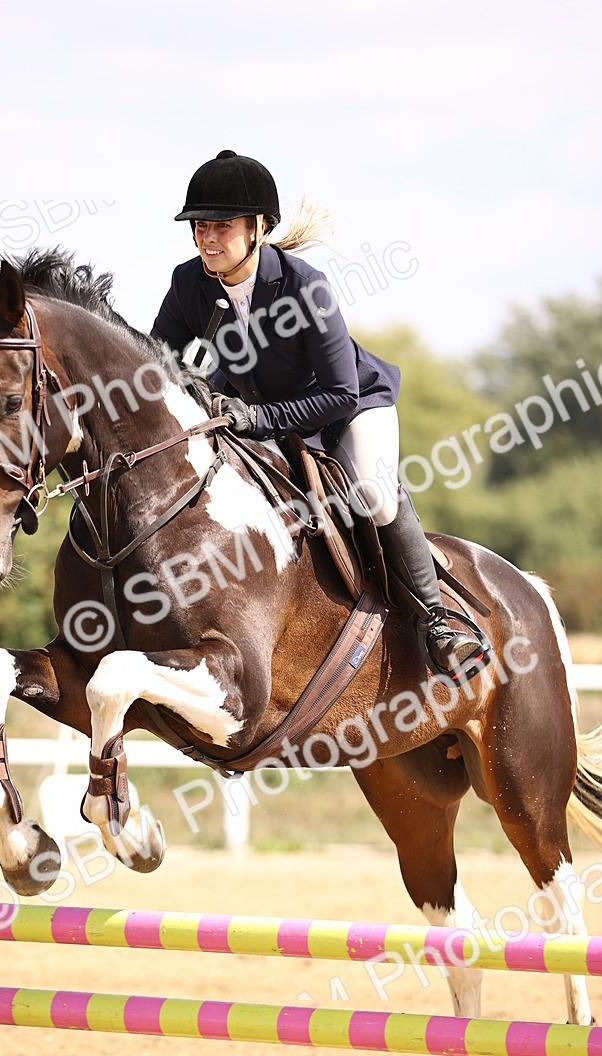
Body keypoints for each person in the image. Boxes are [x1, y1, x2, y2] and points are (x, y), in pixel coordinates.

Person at [151, 150, 486, 677]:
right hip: (257, 412)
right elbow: (157, 364)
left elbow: (340, 393)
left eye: (221, 226)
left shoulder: (304, 286)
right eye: (199, 226)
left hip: (346, 408)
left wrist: (255, 419)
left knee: (372, 493)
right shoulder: (189, 283)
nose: (207, 238)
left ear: (259, 227)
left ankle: (437, 622)